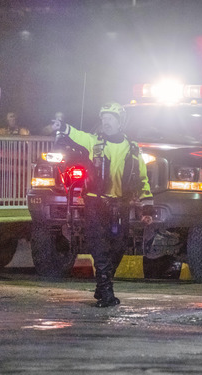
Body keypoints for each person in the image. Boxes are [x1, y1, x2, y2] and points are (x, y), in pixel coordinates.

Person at [51, 102, 153, 307]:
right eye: (103, 119)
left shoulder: (132, 149)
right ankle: (107, 293)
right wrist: (63, 127)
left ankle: (102, 286)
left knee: (118, 248)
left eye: (110, 119)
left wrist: (146, 207)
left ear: (120, 122)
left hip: (121, 206)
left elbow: (142, 179)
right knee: (99, 248)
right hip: (95, 204)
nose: (105, 122)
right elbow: (77, 134)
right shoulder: (94, 142)